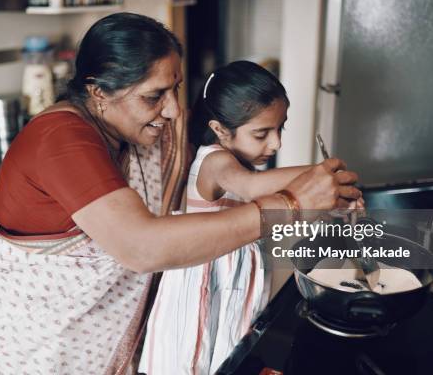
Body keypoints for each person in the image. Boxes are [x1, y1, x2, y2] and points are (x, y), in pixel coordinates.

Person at [0, 13, 362, 374]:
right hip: (25, 342)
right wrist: (292, 203)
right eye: (154, 96)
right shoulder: (61, 139)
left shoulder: (139, 133)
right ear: (97, 92)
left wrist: (317, 185)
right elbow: (141, 246)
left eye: (175, 89)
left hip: (86, 337)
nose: (173, 110)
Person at [138, 61, 364, 374]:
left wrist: (326, 198)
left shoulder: (236, 161)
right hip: (202, 294)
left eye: (280, 128)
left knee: (229, 356)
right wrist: (319, 175)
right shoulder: (215, 161)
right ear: (219, 129)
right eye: (262, 133)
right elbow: (252, 186)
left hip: (230, 288)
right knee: (194, 359)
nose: (276, 143)